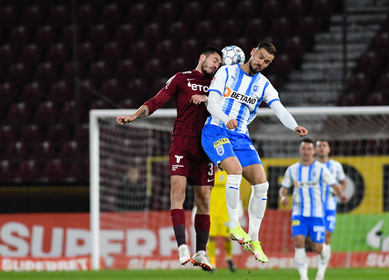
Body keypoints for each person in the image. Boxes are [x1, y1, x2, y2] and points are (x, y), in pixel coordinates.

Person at [197, 42, 308, 263]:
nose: (262, 62)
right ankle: (235, 227)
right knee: (235, 171)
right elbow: (211, 104)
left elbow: (280, 109)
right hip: (216, 130)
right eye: (260, 56)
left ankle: (254, 238)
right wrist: (225, 117)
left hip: (240, 136)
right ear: (252, 52)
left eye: (267, 61)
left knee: (262, 184)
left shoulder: (264, 84)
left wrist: (294, 125)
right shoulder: (227, 71)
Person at [116, 46, 223, 271]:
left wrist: (208, 98)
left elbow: (230, 108)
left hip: (206, 146)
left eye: (219, 63)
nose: (216, 65)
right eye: (214, 60)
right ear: (202, 57)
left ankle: (201, 252)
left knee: (204, 200)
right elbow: (156, 101)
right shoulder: (181, 78)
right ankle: (183, 248)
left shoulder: (218, 85)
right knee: (178, 193)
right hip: (182, 144)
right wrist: (134, 116)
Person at [279, 139, 348, 280]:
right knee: (299, 241)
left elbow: (335, 185)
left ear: (313, 151)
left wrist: (341, 195)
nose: (306, 151)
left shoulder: (321, 169)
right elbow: (283, 189)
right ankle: (304, 278)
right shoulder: (292, 170)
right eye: (303, 148)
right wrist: (283, 198)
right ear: (300, 150)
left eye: (309, 149)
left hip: (316, 214)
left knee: (318, 248)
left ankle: (323, 263)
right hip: (298, 213)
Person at [315, 139, 346, 280]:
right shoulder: (310, 165)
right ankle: (324, 254)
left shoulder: (336, 166)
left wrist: (339, 192)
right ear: (315, 150)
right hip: (314, 206)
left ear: (329, 149)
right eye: (319, 146)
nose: (322, 148)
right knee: (316, 239)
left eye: (324, 146)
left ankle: (321, 272)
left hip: (329, 205)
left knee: (327, 234)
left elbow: (343, 181)